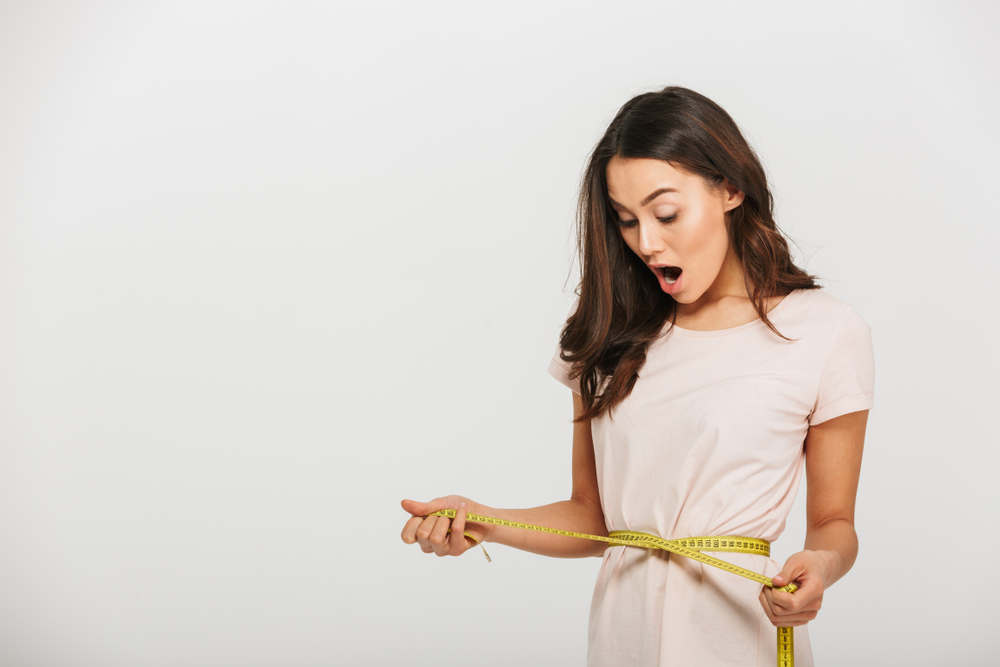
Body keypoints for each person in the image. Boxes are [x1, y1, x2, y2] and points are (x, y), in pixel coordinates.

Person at [400, 86, 874, 667]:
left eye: (666, 213)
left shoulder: (824, 330)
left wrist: (821, 565)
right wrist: (484, 521)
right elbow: (592, 517)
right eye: (626, 220)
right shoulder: (607, 334)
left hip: (739, 636)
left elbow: (833, 522)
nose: (647, 243)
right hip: (622, 640)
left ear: (730, 188)